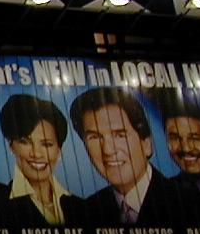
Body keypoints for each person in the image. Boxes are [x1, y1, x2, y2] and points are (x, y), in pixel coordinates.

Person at [68, 87, 191, 226]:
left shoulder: (190, 205)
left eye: (120, 135)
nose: (108, 150)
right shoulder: (85, 213)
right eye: (94, 137)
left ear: (146, 144)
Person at [0, 94, 86, 227]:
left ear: (59, 150)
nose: (36, 154)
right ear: (11, 145)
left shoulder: (82, 208)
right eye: (25, 142)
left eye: (47, 144)